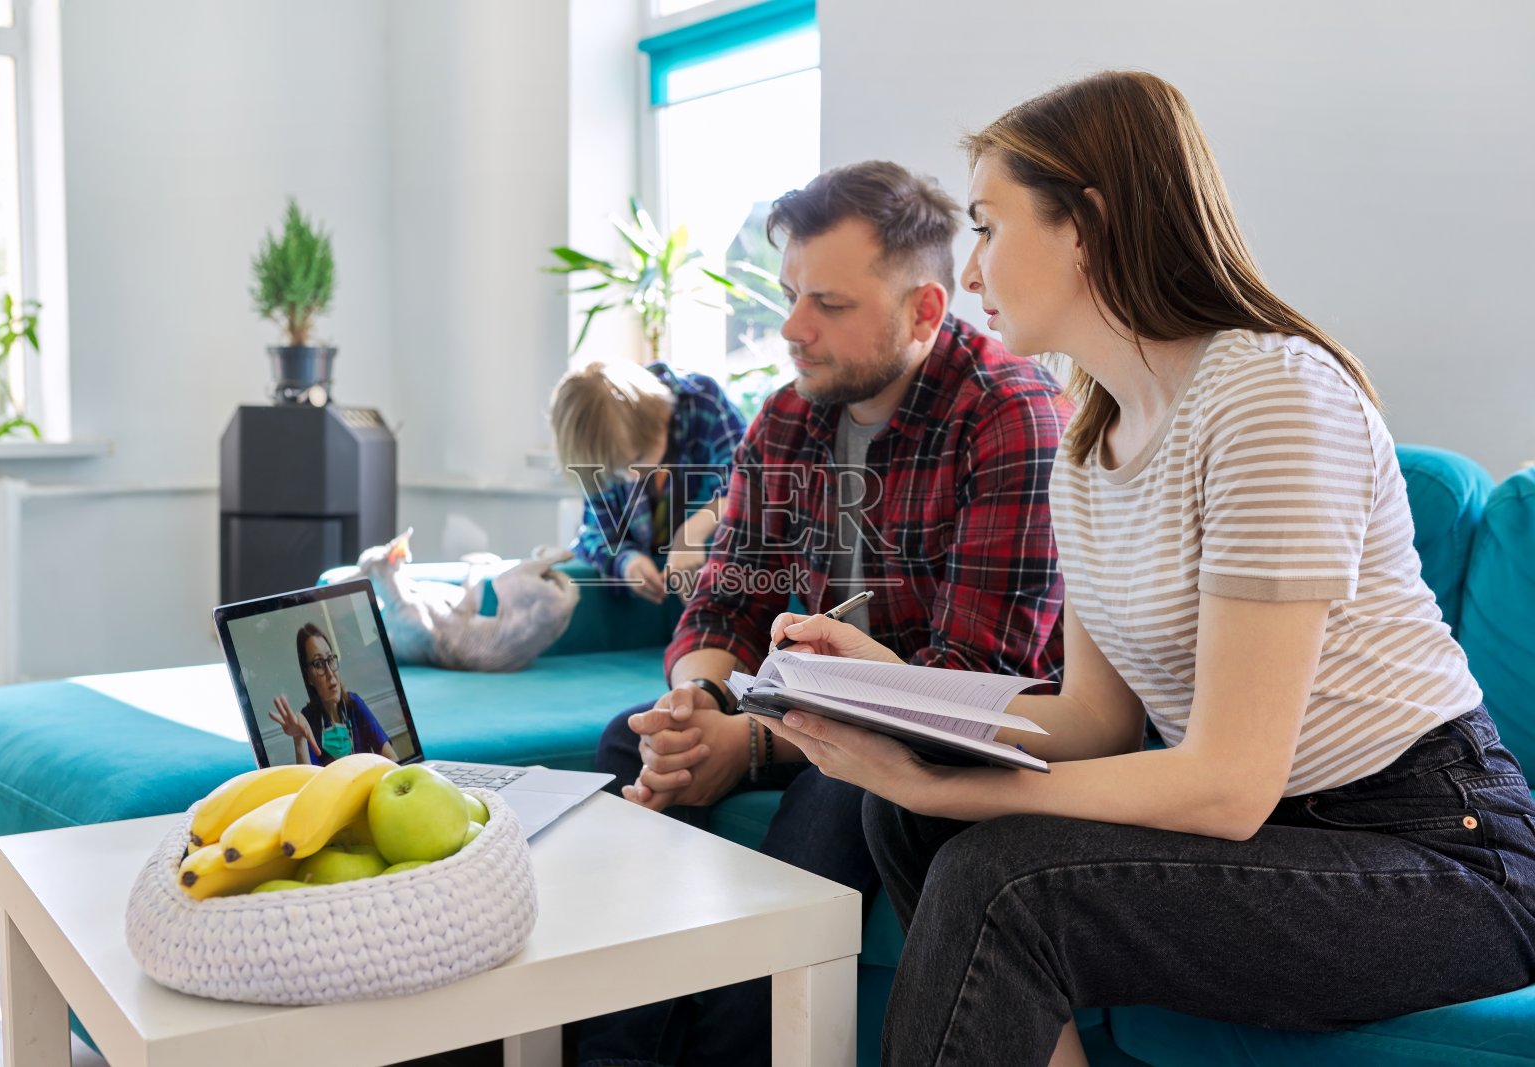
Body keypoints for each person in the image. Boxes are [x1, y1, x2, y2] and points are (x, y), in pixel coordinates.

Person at [762, 71, 1535, 1067]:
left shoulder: (1267, 394)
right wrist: (881, 685)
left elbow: (1224, 785)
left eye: (991, 229)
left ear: (1086, 224)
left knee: (992, 870)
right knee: (900, 820)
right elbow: (1094, 720)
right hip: (1277, 836)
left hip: (1432, 848)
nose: (971, 275)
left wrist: (954, 791)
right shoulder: (1088, 447)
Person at [577, 161, 1072, 1067]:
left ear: (925, 311)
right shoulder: (792, 416)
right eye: (790, 294)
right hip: (822, 710)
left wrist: (758, 743)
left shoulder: (1010, 419)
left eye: (830, 305)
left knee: (845, 788)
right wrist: (701, 709)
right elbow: (728, 594)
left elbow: (962, 688)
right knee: (635, 739)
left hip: (939, 738)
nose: (792, 328)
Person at [550, 358, 747, 604]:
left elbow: (749, 482)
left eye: (637, 459)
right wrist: (628, 562)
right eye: (616, 471)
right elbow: (596, 533)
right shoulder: (601, 458)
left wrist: (692, 532)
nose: (629, 477)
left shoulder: (702, 402)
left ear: (661, 416)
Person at [268, 622, 399, 765]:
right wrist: (299, 740)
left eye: (330, 659)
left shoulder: (354, 704)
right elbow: (309, 784)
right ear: (309, 677)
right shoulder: (307, 721)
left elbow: (392, 759)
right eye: (318, 664)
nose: (330, 674)